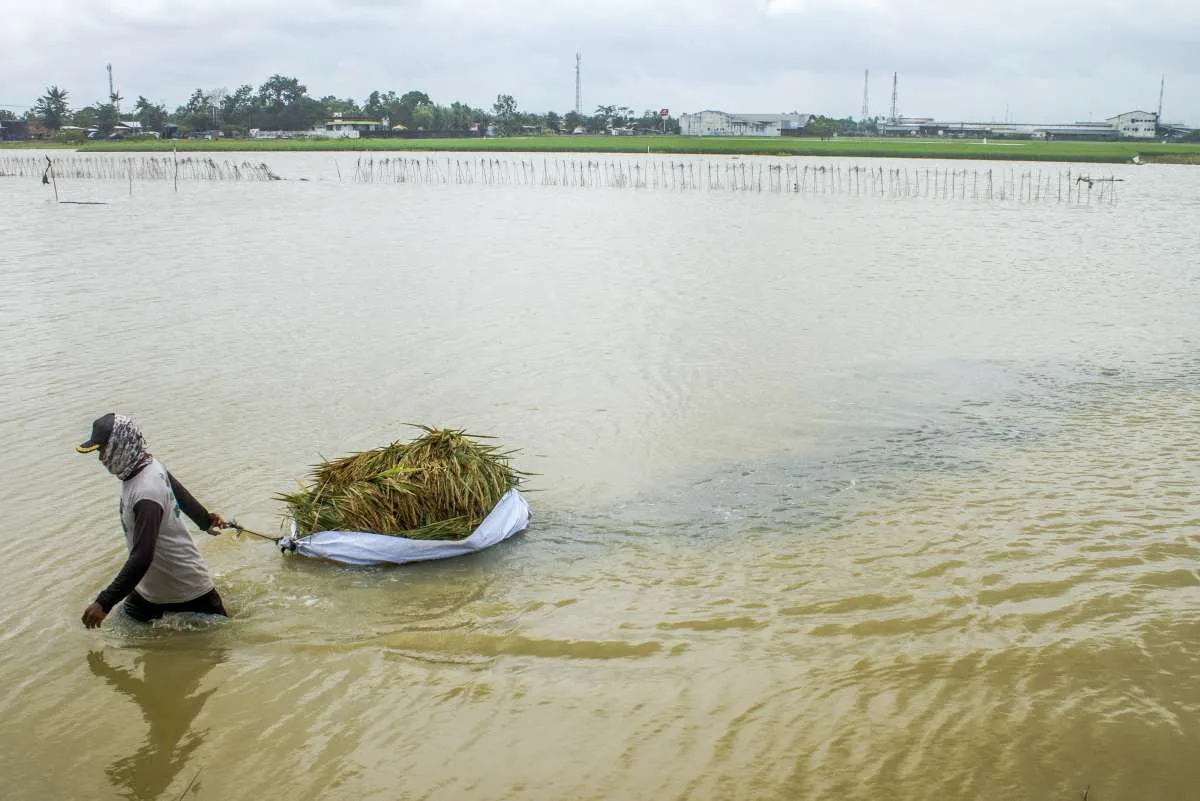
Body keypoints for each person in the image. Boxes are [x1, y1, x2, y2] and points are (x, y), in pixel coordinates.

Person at [78, 413, 229, 628]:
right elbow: (180, 496)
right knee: (119, 630)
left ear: (121, 445)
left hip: (186, 589)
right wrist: (205, 521)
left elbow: (142, 557)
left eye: (103, 449)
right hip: (151, 590)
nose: (101, 458)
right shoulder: (149, 465)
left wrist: (104, 602)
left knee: (220, 641)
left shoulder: (145, 493)